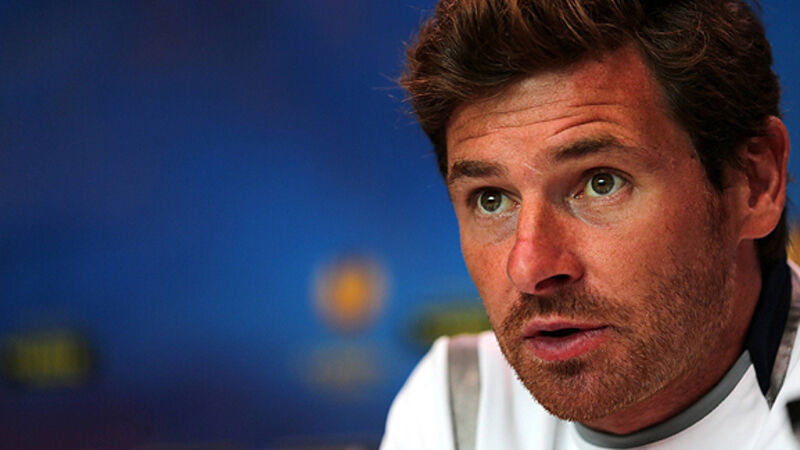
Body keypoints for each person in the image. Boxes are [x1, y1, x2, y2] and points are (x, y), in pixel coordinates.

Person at [381, 0, 800, 448]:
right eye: (492, 199)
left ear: (754, 183)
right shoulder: (458, 405)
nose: (529, 267)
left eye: (602, 183)